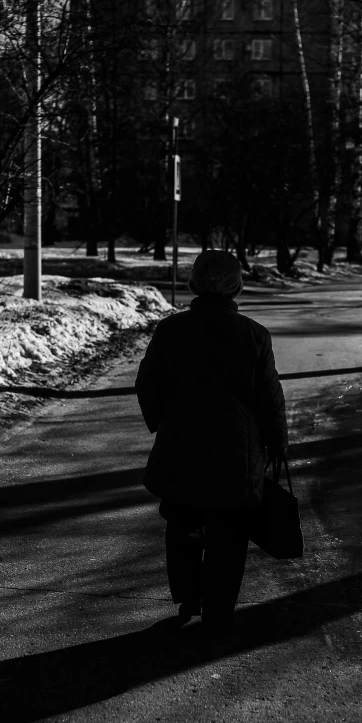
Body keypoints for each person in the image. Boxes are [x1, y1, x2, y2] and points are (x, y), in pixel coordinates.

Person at [135, 249, 288, 636]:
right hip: (237, 455)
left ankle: (188, 595)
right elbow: (269, 396)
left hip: (181, 446)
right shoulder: (254, 334)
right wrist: (276, 443)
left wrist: (162, 423)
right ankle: (220, 609)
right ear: (237, 285)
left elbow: (147, 385)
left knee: (183, 522)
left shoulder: (171, 330)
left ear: (194, 283)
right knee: (229, 533)